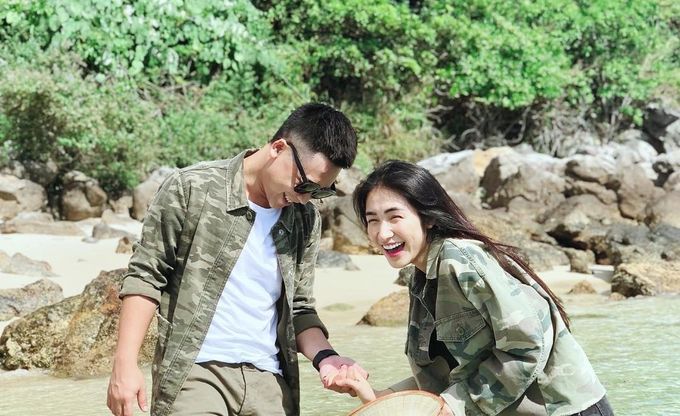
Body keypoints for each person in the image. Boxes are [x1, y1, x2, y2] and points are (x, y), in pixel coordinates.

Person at [106, 103, 366, 416]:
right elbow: (146, 275)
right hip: (197, 374)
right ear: (279, 148)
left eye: (319, 192)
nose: (305, 198)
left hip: (270, 382)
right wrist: (125, 364)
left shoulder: (305, 219)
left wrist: (327, 358)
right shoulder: (192, 188)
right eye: (305, 185)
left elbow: (299, 308)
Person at [343, 160, 613, 416]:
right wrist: (379, 397)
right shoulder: (421, 276)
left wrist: (455, 405)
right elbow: (445, 376)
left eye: (395, 217)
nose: (382, 233)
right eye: (373, 220)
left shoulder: (459, 259)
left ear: (428, 218)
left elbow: (527, 345)